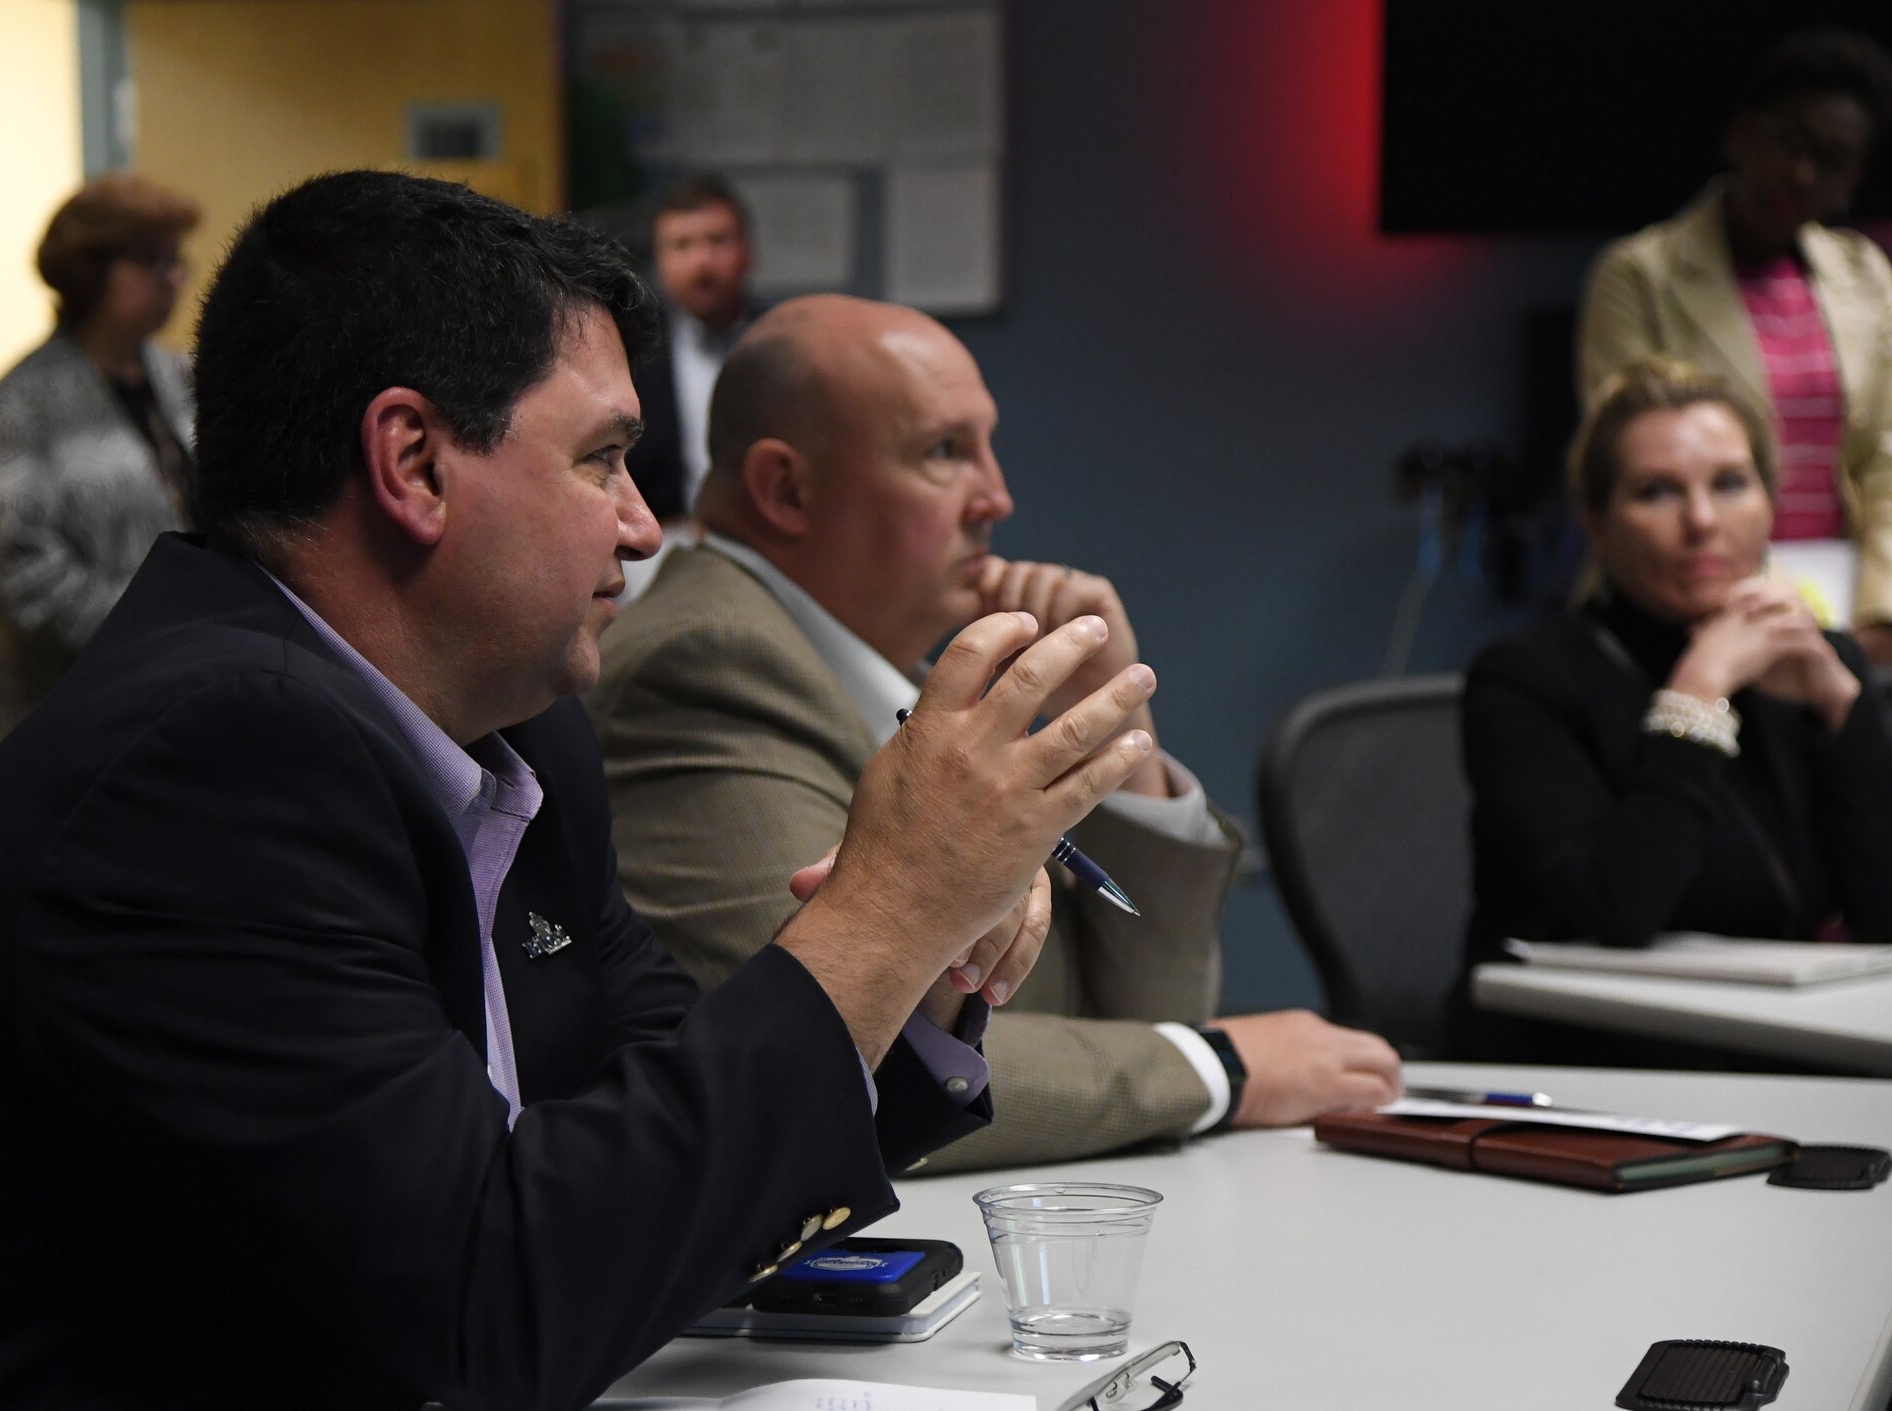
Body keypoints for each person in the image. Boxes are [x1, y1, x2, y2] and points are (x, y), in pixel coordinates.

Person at [0, 173, 1158, 1410]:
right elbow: (487, 1305)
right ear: (413, 463)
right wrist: (883, 911)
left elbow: (648, 1152)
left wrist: (917, 966)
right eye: (605, 460)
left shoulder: (519, 737)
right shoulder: (203, 768)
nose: (642, 527)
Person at [589, 294, 1402, 1172]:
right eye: (944, 451)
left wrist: (1118, 732)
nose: (998, 497)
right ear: (787, 488)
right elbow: (845, 1054)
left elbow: (1138, 1012)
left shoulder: (868, 668)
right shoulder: (708, 661)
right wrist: (1221, 1067)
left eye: (987, 444)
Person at [1459, 356, 1892, 1050]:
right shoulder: (1525, 677)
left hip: (1785, 1043)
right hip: (1584, 1057)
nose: (1702, 520)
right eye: (1656, 492)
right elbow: (1619, 910)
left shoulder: (1811, 660)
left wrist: (1841, 709)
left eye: (1730, 483)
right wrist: (1698, 691)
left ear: (1770, 502)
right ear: (1597, 522)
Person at [1577, 27, 1892, 667]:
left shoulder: (1865, 275)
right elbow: (1637, 470)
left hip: (1844, 604)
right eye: (1790, 142)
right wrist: (1729, 633)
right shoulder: (1640, 274)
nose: (1802, 172)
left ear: (1851, 179)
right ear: (1742, 134)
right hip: (1684, 611)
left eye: (1830, 159)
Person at [0, 173, 200, 732]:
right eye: (151, 262)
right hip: (80, 713)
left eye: (175, 259)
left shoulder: (181, 378)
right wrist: (161, 630)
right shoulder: (20, 405)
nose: (174, 280)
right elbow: (25, 577)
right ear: (91, 273)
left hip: (190, 689)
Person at [618, 175, 756, 604]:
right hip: (663, 543)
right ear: (659, 260)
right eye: (682, 245)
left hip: (766, 545)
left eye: (717, 241)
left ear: (746, 251)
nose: (702, 262)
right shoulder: (628, 350)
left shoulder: (784, 339)